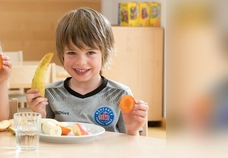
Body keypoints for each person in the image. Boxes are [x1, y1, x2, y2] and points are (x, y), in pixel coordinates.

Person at [26, 7, 148, 135]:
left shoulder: (120, 94)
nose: (81, 62)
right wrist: (38, 116)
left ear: (104, 54)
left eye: (90, 52)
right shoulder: (50, 94)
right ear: (62, 54)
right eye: (72, 53)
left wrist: (132, 130)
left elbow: (131, 150)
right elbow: (44, 141)